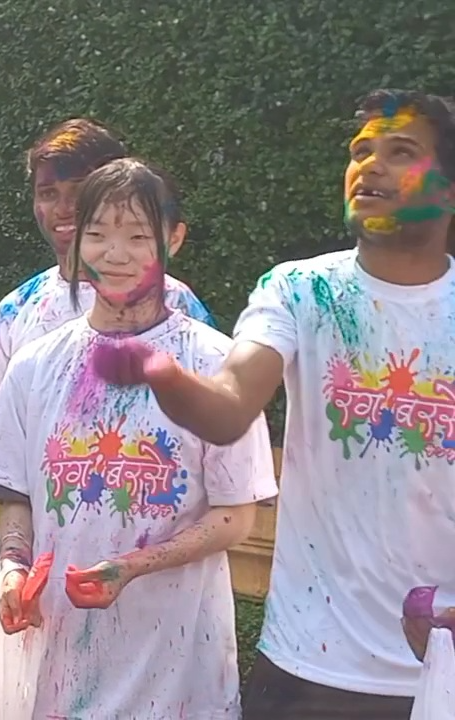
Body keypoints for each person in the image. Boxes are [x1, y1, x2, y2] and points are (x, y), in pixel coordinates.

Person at [93, 89, 455, 719]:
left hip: (442, 668)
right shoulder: (301, 290)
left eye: (401, 152)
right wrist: (164, 374)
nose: (369, 166)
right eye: (361, 151)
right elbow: (230, 406)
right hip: (307, 669)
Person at [0, 158, 276, 718]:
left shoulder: (212, 365)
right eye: (98, 234)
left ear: (173, 240)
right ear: (75, 242)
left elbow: (237, 517)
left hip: (179, 668)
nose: (116, 254)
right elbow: (16, 497)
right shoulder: (35, 364)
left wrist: (133, 567)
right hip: (59, 664)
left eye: (138, 236)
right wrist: (14, 568)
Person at [0, 118, 214, 459]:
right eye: (48, 193)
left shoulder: (175, 303)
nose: (64, 208)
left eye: (80, 191)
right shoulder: (15, 311)